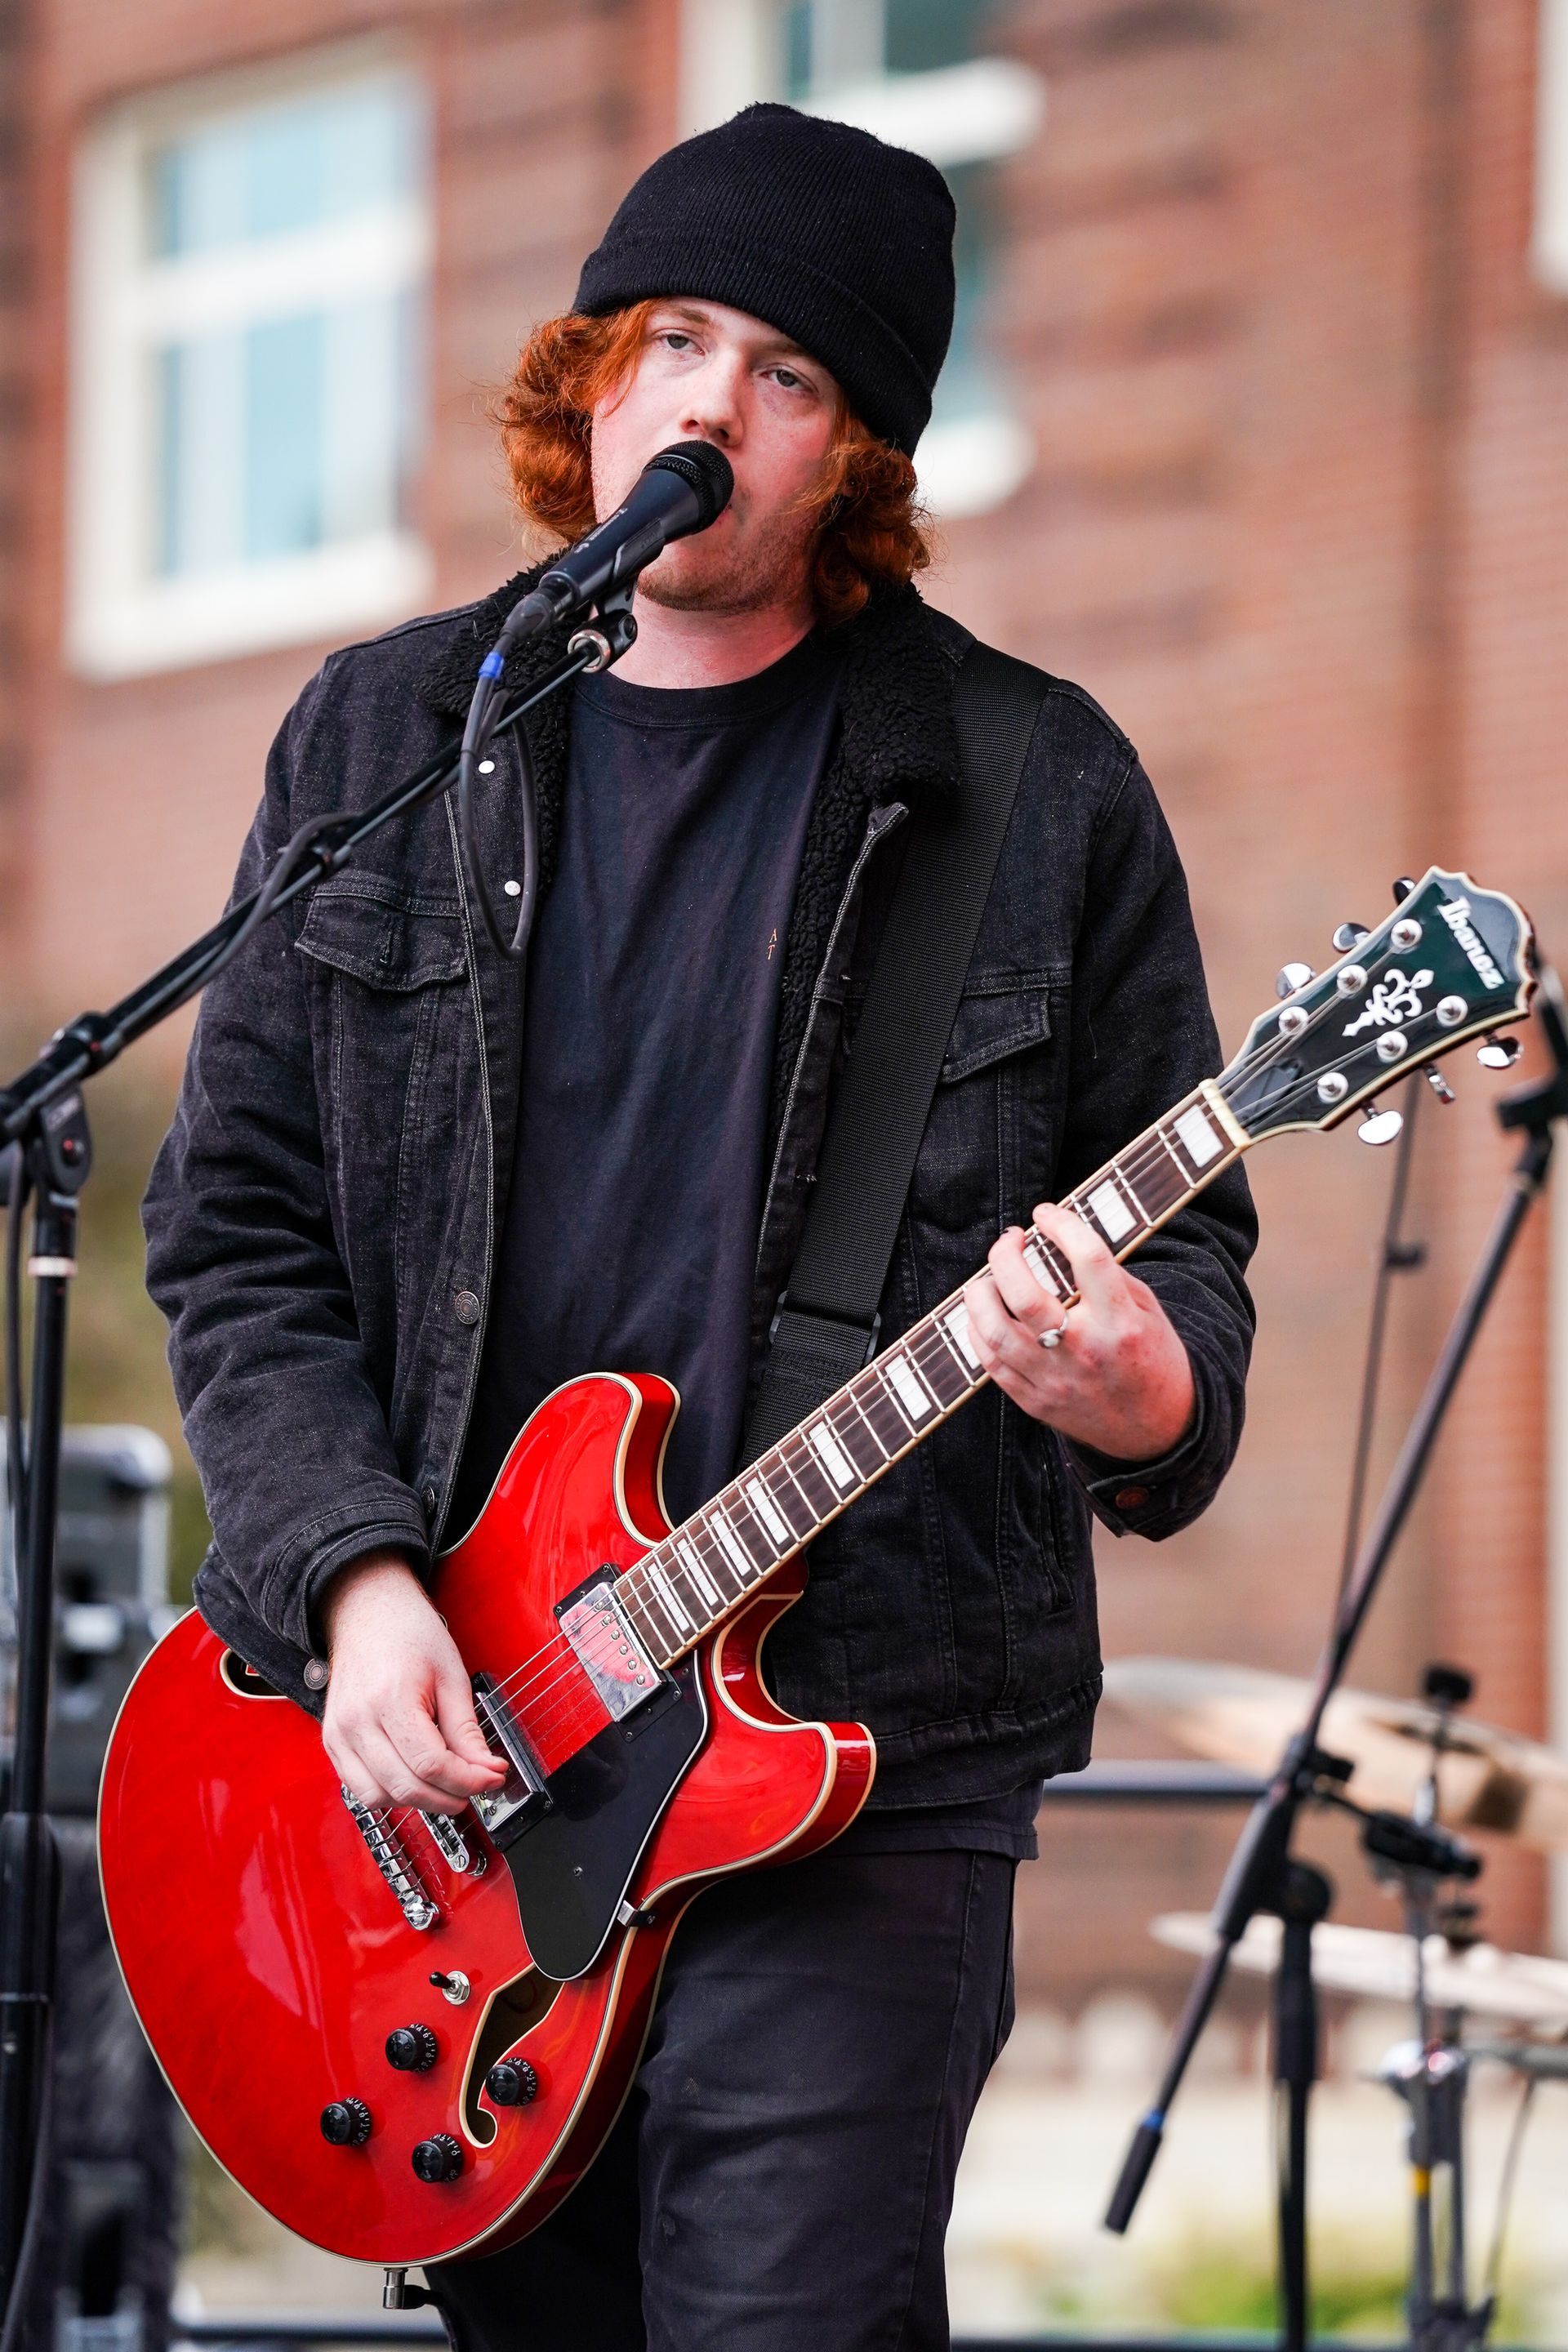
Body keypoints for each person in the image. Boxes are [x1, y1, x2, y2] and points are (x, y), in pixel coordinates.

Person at [143, 103, 1255, 2352]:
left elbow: (1195, 1271)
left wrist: (1135, 1381)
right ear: (592, 382)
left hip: (858, 1761)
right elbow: (238, 1225)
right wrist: (357, 1590)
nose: (709, 408)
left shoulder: (1032, 787)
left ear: (859, 456)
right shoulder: (387, 733)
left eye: (788, 375)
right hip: (471, 1762)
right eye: (672, 338)